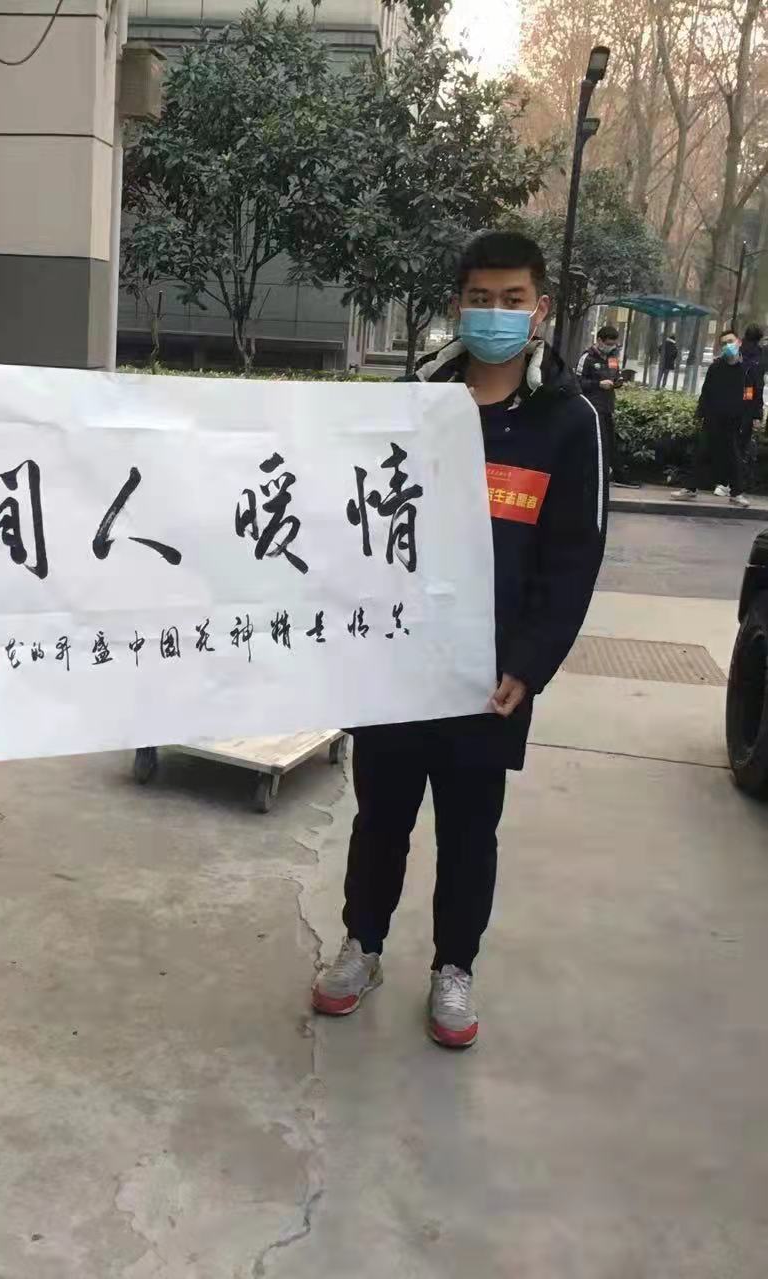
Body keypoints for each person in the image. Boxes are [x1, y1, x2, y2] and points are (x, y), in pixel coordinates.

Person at [310, 230, 607, 1048]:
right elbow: (355, 524)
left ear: (540, 309)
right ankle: (362, 945)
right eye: (481, 298)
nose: (495, 314)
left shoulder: (567, 421)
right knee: (379, 819)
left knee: (469, 832)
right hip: (399, 665)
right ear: (457, 304)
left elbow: (572, 558)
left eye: (512, 300)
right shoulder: (413, 402)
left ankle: (454, 966)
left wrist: (529, 665)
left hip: (489, 678)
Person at [671, 330, 752, 508]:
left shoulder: (746, 369)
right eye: (724, 343)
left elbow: (750, 394)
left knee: (734, 457)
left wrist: (748, 414)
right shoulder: (716, 367)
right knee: (700, 452)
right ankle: (690, 489)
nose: (727, 346)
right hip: (713, 418)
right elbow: (706, 391)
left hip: (733, 421)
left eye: (730, 341)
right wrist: (700, 412)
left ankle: (737, 493)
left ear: (738, 342)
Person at [577, 323, 637, 486]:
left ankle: (616, 475)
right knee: (597, 443)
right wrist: (598, 384)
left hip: (607, 406)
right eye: (608, 344)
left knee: (609, 443)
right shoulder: (587, 357)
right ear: (599, 340)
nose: (611, 347)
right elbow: (578, 382)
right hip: (592, 407)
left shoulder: (612, 358)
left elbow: (615, 375)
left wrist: (618, 381)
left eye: (614, 344)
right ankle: (597, 475)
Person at [738, 322, 764, 477]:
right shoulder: (758, 356)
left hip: (731, 400)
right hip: (747, 399)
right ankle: (734, 478)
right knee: (742, 441)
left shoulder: (737, 350)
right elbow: (757, 386)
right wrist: (757, 412)